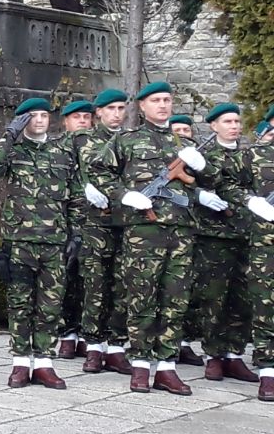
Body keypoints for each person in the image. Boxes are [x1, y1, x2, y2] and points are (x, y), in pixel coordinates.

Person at [88, 81, 216, 395]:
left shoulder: (184, 143)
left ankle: (167, 368)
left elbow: (214, 180)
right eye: (156, 100)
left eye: (167, 100)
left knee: (175, 300)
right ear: (142, 106)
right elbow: (98, 172)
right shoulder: (127, 140)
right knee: (141, 297)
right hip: (143, 232)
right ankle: (141, 365)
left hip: (181, 230)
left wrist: (203, 167)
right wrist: (125, 195)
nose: (162, 105)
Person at [0, 97, 77, 390]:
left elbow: (75, 195)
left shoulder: (62, 152)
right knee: (20, 303)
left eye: (44, 115)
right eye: (32, 116)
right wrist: (10, 134)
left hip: (54, 240)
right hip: (20, 240)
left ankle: (44, 363)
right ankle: (20, 363)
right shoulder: (13, 151)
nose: (39, 120)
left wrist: (76, 234)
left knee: (50, 304)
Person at [180, 103, 258, 382]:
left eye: (236, 121)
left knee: (242, 297)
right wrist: (199, 195)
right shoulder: (202, 156)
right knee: (213, 297)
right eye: (227, 121)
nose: (234, 126)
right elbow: (182, 187)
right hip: (213, 236)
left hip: (246, 233)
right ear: (213, 126)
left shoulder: (250, 155)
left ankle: (234, 354)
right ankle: (213, 354)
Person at [75, 88, 133, 375]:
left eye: (121, 108)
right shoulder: (82, 141)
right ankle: (94, 346)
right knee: (95, 287)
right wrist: (83, 188)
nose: (117, 114)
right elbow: (65, 174)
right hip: (95, 224)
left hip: (127, 222)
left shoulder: (131, 140)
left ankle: (117, 347)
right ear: (98, 112)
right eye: (111, 108)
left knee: (123, 286)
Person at [223, 121, 274, 402]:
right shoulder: (255, 154)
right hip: (266, 243)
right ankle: (268, 371)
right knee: (266, 302)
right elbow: (226, 183)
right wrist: (250, 200)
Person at [55, 100, 95, 360]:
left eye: (86, 117)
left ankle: (89, 336)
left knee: (92, 283)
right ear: (66, 121)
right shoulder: (56, 148)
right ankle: (68, 335)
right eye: (76, 117)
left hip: (95, 224)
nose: (82, 121)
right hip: (63, 222)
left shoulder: (101, 148)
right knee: (66, 281)